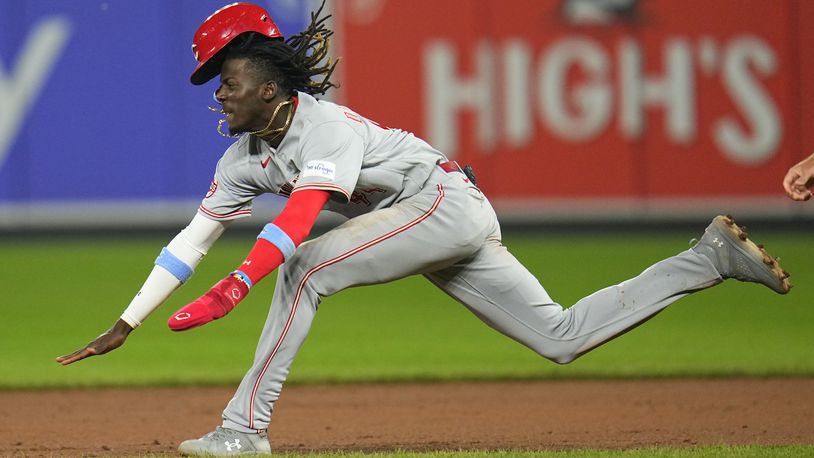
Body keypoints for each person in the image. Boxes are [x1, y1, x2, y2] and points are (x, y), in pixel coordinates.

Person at [57, 2, 792, 455]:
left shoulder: (326, 128)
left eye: (228, 78)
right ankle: (709, 259)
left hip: (442, 204)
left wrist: (242, 282)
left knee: (303, 266)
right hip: (426, 217)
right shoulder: (244, 159)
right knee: (561, 337)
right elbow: (190, 240)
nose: (219, 91)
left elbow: (303, 218)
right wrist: (128, 320)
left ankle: (243, 429)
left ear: (270, 86)